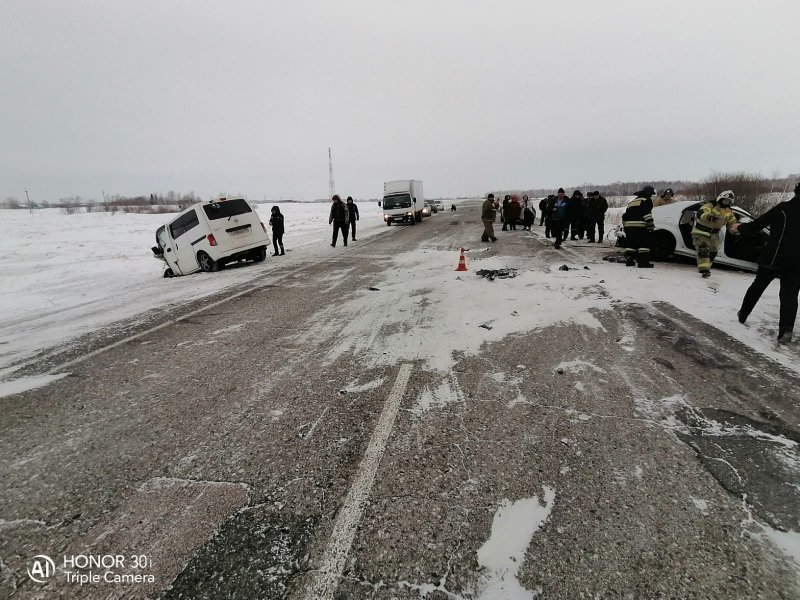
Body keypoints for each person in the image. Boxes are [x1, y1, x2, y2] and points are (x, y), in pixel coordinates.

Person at [737, 182, 800, 344]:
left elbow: (757, 225)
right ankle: (786, 329)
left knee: (758, 286)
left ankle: (743, 314)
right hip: (796, 263)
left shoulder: (784, 208)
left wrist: (740, 228)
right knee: (790, 294)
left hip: (773, 258)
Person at [691, 190, 740, 278]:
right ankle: (704, 270)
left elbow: (732, 223)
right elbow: (701, 212)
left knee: (713, 252)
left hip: (714, 234)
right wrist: (709, 217)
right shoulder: (711, 205)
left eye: (728, 201)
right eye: (725, 200)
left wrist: (735, 232)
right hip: (701, 232)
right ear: (720, 198)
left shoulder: (728, 211)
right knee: (703, 250)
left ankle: (706, 266)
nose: (726, 202)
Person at [622, 186, 656, 267]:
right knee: (643, 245)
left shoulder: (633, 201)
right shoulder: (647, 200)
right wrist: (650, 223)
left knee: (631, 244)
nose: (651, 196)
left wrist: (625, 224)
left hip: (629, 227)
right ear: (648, 194)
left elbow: (625, 215)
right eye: (651, 194)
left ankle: (629, 261)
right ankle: (643, 263)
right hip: (640, 226)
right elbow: (647, 213)